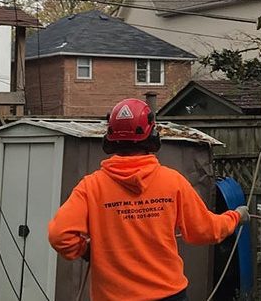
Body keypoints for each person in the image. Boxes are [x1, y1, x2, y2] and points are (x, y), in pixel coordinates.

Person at [48, 97, 249, 301]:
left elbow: (59, 235)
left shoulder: (91, 186)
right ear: (152, 136)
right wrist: (236, 217)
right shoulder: (172, 182)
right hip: (169, 295)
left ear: (109, 138)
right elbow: (205, 230)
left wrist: (86, 250)